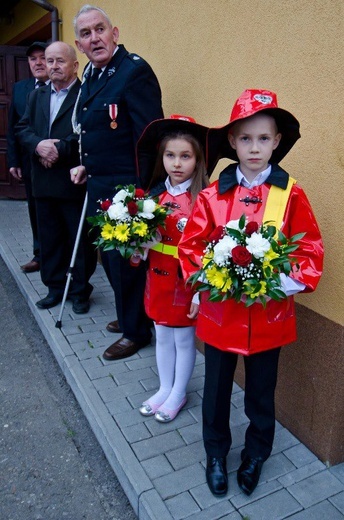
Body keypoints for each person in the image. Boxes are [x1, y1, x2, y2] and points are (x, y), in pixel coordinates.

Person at [178, 89, 324, 497]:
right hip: (221, 315)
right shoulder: (211, 195)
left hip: (268, 316)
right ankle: (214, 452)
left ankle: (257, 452)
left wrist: (271, 281)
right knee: (216, 389)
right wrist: (216, 275)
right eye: (245, 138)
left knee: (261, 390)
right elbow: (191, 249)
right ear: (232, 142)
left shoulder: (290, 194)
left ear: (277, 141)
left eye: (263, 138)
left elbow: (310, 251)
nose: (254, 147)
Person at [70, 5, 164, 359]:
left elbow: (149, 137)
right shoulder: (93, 77)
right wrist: (83, 165)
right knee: (112, 261)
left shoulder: (132, 72)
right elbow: (92, 132)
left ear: (115, 33)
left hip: (127, 190)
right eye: (86, 34)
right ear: (79, 45)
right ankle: (131, 315)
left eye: (100, 30)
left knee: (125, 264)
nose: (95, 38)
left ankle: (135, 331)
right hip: (98, 186)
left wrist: (144, 195)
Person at [136, 115, 209, 422]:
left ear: (197, 159)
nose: (177, 163)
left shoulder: (205, 199)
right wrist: (139, 247)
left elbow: (210, 250)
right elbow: (135, 247)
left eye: (185, 156)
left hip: (186, 284)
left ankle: (179, 392)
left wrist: (201, 292)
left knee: (182, 338)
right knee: (161, 334)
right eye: (170, 155)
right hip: (157, 279)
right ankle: (164, 388)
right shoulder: (153, 196)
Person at [16, 41, 97, 313]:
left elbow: (89, 133)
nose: (52, 66)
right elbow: (23, 128)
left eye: (59, 61)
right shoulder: (36, 96)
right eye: (49, 61)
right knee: (49, 239)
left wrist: (60, 148)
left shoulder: (85, 95)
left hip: (72, 180)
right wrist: (38, 145)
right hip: (42, 179)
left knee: (78, 240)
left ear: (75, 65)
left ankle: (80, 291)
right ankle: (54, 288)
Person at [7, 41, 49, 273]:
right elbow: (13, 126)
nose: (38, 62)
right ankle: (39, 255)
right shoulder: (20, 88)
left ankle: (62, 257)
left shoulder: (62, 86)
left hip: (57, 162)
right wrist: (13, 160)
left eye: (43, 57)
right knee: (35, 210)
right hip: (29, 162)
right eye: (33, 59)